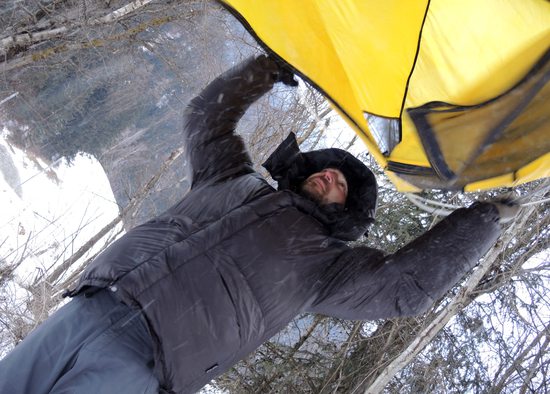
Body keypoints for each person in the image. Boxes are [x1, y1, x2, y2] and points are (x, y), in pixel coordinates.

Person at [0, 55, 518, 394]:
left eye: (343, 186)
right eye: (328, 170)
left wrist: (483, 219)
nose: (332, 178)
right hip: (90, 307)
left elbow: (405, 289)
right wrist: (268, 69)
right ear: (305, 171)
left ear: (347, 212)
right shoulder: (230, 177)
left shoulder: (329, 266)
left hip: (148, 362)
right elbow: (206, 117)